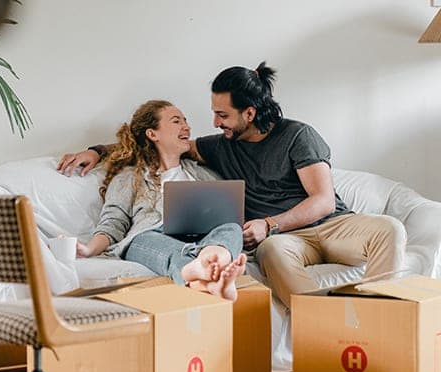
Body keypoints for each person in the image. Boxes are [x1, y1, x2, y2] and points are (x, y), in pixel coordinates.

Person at [58, 62, 407, 308]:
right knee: (270, 252)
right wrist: (97, 150)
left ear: (250, 113)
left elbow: (323, 201)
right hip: (281, 242)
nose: (212, 122)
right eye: (213, 113)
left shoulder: (298, 136)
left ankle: (380, 315)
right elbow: (146, 151)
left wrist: (268, 224)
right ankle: (319, 320)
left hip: (331, 227)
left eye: (222, 115)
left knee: (390, 229)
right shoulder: (214, 147)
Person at [73, 99, 247, 300]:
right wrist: (88, 249)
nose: (187, 127)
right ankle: (202, 272)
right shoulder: (130, 177)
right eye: (176, 121)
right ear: (152, 134)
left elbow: (226, 215)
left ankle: (210, 268)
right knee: (141, 239)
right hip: (151, 238)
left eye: (185, 120)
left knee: (231, 227)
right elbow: (113, 223)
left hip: (202, 239)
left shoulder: (203, 174)